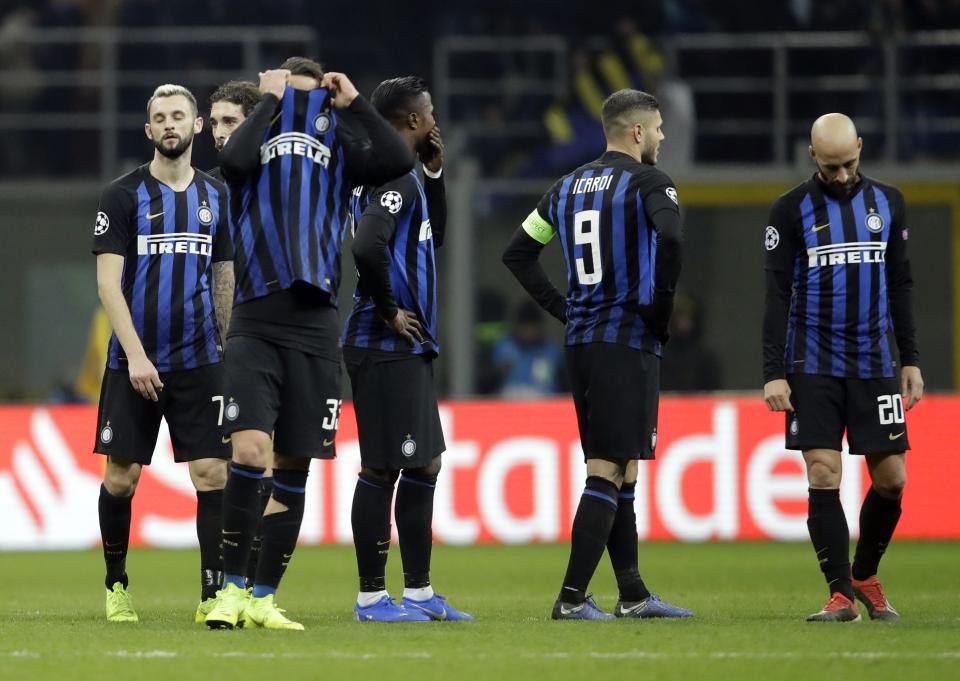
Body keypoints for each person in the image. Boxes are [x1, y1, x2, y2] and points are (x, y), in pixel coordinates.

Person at [204, 57, 414, 631]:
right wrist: (269, 100)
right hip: (256, 318)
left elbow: (399, 161)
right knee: (248, 452)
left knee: (295, 462)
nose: (301, 107)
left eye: (308, 96)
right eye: (290, 95)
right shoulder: (254, 139)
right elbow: (231, 160)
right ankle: (230, 591)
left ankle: (264, 597)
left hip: (317, 322)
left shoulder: (340, 147)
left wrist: (356, 104)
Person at [502, 89, 693, 620]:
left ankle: (631, 593)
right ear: (636, 132)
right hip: (624, 340)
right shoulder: (651, 182)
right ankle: (571, 598)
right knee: (607, 469)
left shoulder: (564, 189)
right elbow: (672, 238)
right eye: (656, 129)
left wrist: (563, 308)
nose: (661, 137)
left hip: (583, 342)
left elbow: (518, 252)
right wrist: (660, 309)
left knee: (622, 468)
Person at [762, 113, 923, 623]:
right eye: (830, 168)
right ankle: (840, 596)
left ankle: (864, 574)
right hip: (813, 362)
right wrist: (773, 369)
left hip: (875, 361)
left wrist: (911, 358)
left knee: (892, 479)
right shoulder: (789, 211)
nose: (840, 176)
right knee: (823, 472)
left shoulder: (889, 202)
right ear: (813, 157)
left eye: (848, 164)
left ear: (860, 146)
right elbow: (775, 296)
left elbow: (900, 283)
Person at [92, 84, 234, 623]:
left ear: (197, 126)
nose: (170, 124)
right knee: (121, 478)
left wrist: (229, 350)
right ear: (148, 131)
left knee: (211, 475)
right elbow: (109, 285)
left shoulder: (217, 197)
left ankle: (211, 594)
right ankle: (116, 584)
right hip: (134, 362)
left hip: (200, 360)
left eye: (179, 115)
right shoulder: (122, 195)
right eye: (159, 117)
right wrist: (136, 357)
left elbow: (224, 280)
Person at [342, 76, 472, 623]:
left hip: (405, 345)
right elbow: (366, 245)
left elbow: (430, 235)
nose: (436, 120)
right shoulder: (393, 175)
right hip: (384, 340)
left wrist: (436, 175)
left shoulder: (403, 174)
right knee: (382, 468)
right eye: (430, 113)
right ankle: (373, 596)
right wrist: (390, 308)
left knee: (425, 464)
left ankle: (418, 592)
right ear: (414, 122)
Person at [207, 79, 270, 588]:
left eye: (231, 122)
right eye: (216, 123)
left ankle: (255, 585)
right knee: (224, 467)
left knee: (264, 466)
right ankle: (227, 583)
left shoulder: (280, 185)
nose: (219, 133)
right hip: (217, 348)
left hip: (273, 338)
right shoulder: (205, 193)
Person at [492, 299, 564, 398]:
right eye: (524, 327)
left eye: (532, 327)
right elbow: (494, 379)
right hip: (512, 400)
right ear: (517, 326)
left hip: (545, 401)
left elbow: (560, 382)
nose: (528, 332)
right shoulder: (505, 346)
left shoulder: (551, 350)